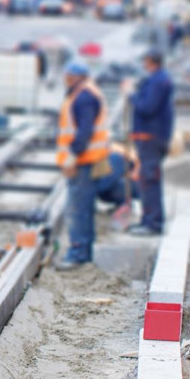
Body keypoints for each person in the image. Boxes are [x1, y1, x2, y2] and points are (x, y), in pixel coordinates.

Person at [55, 61, 110, 270]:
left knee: (78, 209)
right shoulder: (83, 93)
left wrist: (71, 157)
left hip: (83, 162)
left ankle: (78, 254)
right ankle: (83, 252)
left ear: (75, 76)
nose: (65, 78)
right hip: (87, 160)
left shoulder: (84, 97)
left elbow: (84, 132)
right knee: (83, 208)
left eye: (67, 75)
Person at [128, 49, 174, 236]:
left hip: (151, 137)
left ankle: (152, 223)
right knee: (147, 179)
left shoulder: (157, 81)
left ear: (150, 61)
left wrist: (132, 96)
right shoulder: (158, 79)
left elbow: (147, 107)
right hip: (150, 136)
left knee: (149, 179)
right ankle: (149, 219)